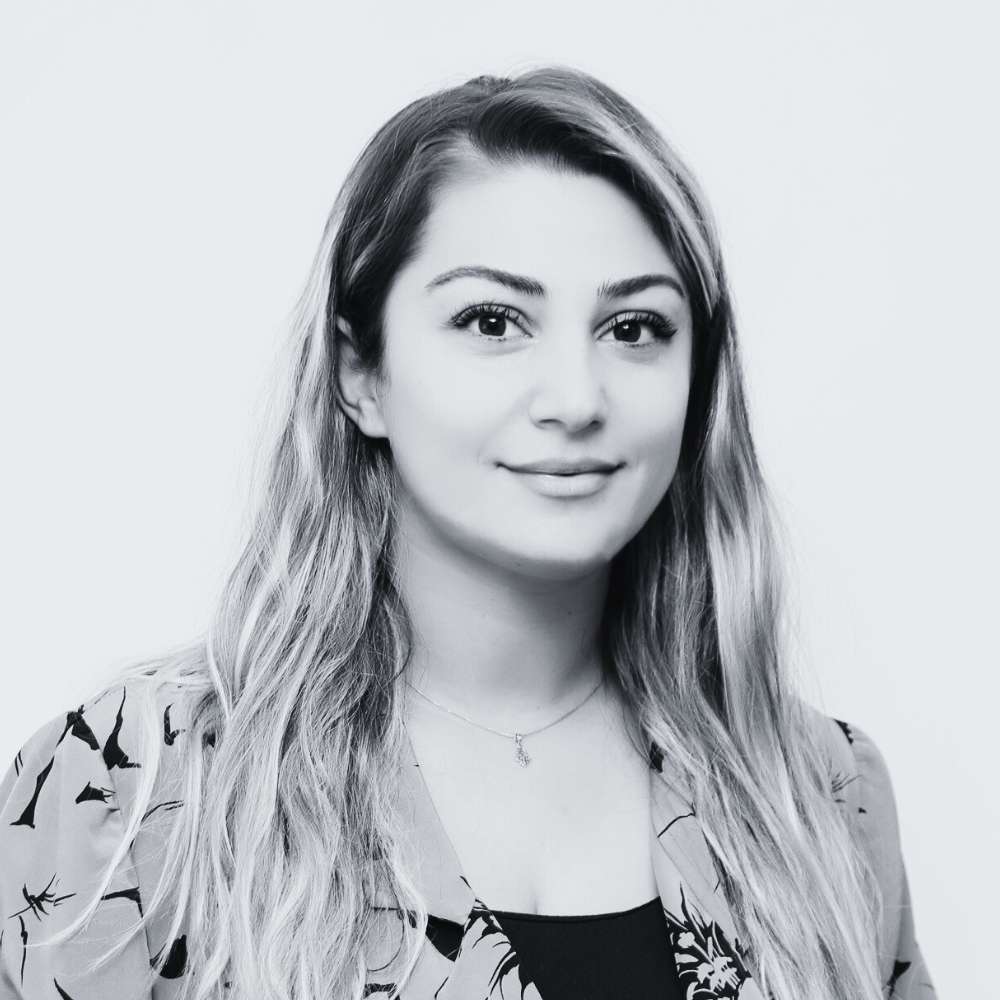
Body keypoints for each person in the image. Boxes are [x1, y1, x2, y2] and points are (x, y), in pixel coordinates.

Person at [0, 66, 936, 1000]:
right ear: (360, 373)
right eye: (493, 320)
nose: (576, 398)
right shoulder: (132, 786)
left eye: (636, 326)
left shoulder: (816, 792)